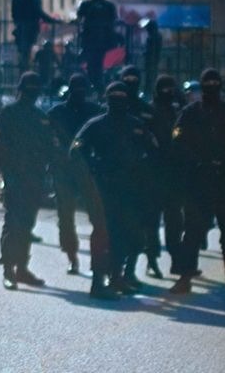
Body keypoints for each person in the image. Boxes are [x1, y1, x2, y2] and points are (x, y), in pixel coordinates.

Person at [169, 69, 225, 295]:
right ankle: (185, 278)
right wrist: (196, 164)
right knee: (193, 233)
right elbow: (177, 143)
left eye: (216, 83)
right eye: (208, 83)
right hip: (199, 181)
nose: (212, 87)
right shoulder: (190, 113)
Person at [72, 82, 158, 298]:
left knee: (126, 233)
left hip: (129, 188)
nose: (118, 101)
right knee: (103, 232)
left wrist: (142, 170)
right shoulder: (96, 124)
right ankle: (98, 282)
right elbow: (75, 151)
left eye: (122, 96)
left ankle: (117, 277)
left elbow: (153, 150)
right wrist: (93, 166)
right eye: (114, 97)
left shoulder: (135, 125)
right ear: (107, 99)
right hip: (102, 187)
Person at [0, 71, 60, 290]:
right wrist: (5, 176)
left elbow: (49, 147)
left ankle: (22, 268)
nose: (32, 94)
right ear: (21, 90)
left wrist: (49, 171)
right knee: (14, 222)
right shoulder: (9, 113)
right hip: (14, 177)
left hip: (34, 178)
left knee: (28, 223)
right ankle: (8, 269)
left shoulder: (41, 116)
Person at [48, 73, 103, 275]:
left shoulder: (94, 111)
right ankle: (72, 257)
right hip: (63, 170)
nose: (80, 93)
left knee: (97, 215)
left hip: (88, 170)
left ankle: (97, 259)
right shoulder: (57, 113)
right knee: (66, 216)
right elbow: (47, 140)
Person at [119, 65, 160, 284]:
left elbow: (156, 144)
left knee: (142, 225)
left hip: (141, 178)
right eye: (127, 79)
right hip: (115, 178)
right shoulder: (111, 111)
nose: (131, 82)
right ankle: (114, 272)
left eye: (134, 79)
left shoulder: (146, 111)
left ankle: (141, 265)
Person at [149, 75, 185, 277]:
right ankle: (152, 258)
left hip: (173, 174)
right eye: (164, 88)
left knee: (175, 221)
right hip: (154, 174)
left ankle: (176, 259)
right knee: (152, 221)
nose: (167, 91)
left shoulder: (177, 111)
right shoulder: (150, 111)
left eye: (171, 88)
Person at [11, 0, 63, 72]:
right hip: (30, 28)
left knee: (23, 52)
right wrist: (53, 21)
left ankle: (23, 71)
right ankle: (25, 73)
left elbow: (14, 15)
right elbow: (39, 12)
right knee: (26, 52)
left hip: (21, 28)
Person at [76, 0, 117, 95]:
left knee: (95, 67)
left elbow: (112, 21)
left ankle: (99, 90)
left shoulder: (107, 6)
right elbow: (79, 17)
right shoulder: (88, 5)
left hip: (99, 42)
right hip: (91, 41)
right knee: (91, 67)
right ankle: (97, 89)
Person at [141, 19, 162, 97]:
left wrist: (145, 53)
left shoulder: (151, 37)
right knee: (151, 77)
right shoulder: (158, 35)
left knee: (149, 78)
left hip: (151, 60)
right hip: (154, 60)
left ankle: (148, 93)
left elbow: (150, 50)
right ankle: (150, 92)